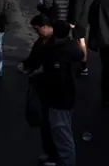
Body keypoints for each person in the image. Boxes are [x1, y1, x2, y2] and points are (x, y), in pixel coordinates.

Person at [32, 18, 83, 166]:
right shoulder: (72, 48)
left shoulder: (59, 53)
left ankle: (66, 162)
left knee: (62, 133)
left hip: (58, 99)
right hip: (66, 97)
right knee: (60, 131)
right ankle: (57, 158)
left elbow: (56, 79)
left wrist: (40, 79)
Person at [68, 0, 91, 76]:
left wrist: (74, 21)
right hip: (83, 17)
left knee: (81, 41)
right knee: (80, 40)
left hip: (79, 19)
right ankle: (82, 63)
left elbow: (77, 5)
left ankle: (84, 64)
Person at [88, 0, 109, 106]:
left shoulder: (98, 1)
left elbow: (91, 18)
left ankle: (106, 96)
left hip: (103, 41)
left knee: (106, 70)